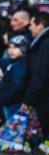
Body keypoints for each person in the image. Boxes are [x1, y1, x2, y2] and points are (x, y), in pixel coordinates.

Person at [21, 12, 49, 141]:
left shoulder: (45, 43)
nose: (30, 28)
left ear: (41, 26)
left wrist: (28, 99)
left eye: (32, 25)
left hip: (43, 101)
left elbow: (41, 74)